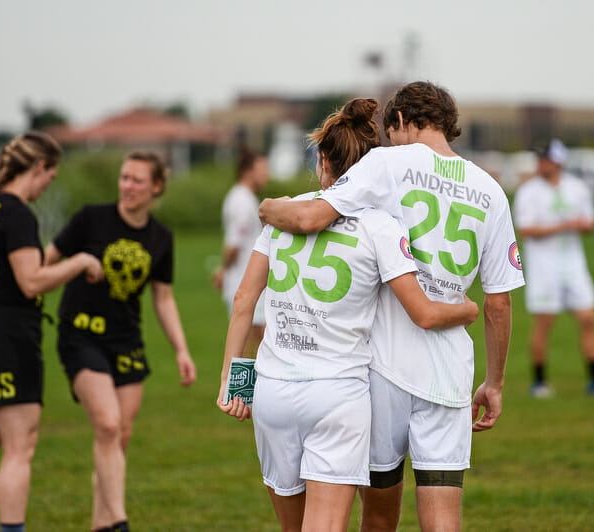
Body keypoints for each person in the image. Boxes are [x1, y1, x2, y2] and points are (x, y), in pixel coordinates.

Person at [258, 81, 525, 531]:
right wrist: (493, 382)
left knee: (379, 517)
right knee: (442, 517)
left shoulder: (386, 163)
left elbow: (309, 217)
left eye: (390, 131)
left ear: (400, 122)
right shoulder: (491, 191)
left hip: (382, 367)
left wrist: (268, 209)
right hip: (449, 372)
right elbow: (497, 304)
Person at [218, 98, 480, 532]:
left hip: (273, 394)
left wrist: (234, 381)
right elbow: (422, 312)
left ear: (322, 160)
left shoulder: (285, 213)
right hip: (339, 394)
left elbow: (245, 300)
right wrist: (466, 308)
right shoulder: (381, 225)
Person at [44, 151, 197, 532]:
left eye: (136, 180)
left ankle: (100, 523)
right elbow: (45, 264)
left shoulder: (161, 237)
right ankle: (119, 521)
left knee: (119, 437)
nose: (127, 186)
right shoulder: (90, 218)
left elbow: (162, 297)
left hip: (126, 341)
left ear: (156, 187)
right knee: (109, 426)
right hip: (80, 335)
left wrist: (181, 349)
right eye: (124, 177)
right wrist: (74, 264)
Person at [0, 132, 103, 532]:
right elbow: (31, 281)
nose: (45, 187)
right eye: (49, 178)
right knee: (21, 446)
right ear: (38, 168)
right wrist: (81, 261)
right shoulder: (16, 213)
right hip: (9, 340)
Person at [512, 139, 594, 399]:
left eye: (546, 159)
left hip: (574, 265)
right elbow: (527, 229)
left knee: (589, 319)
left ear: (559, 162)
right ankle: (540, 382)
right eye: (539, 159)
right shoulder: (529, 191)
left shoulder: (577, 188)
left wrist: (585, 224)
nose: (541, 163)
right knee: (545, 323)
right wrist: (565, 225)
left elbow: (589, 221)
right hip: (544, 268)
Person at [212, 148, 269, 356]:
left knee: (260, 342)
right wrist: (224, 271)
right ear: (247, 171)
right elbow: (233, 245)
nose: (266, 174)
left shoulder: (246, 198)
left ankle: (249, 387)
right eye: (262, 169)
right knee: (248, 346)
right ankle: (237, 388)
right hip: (244, 281)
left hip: (247, 279)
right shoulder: (241, 201)